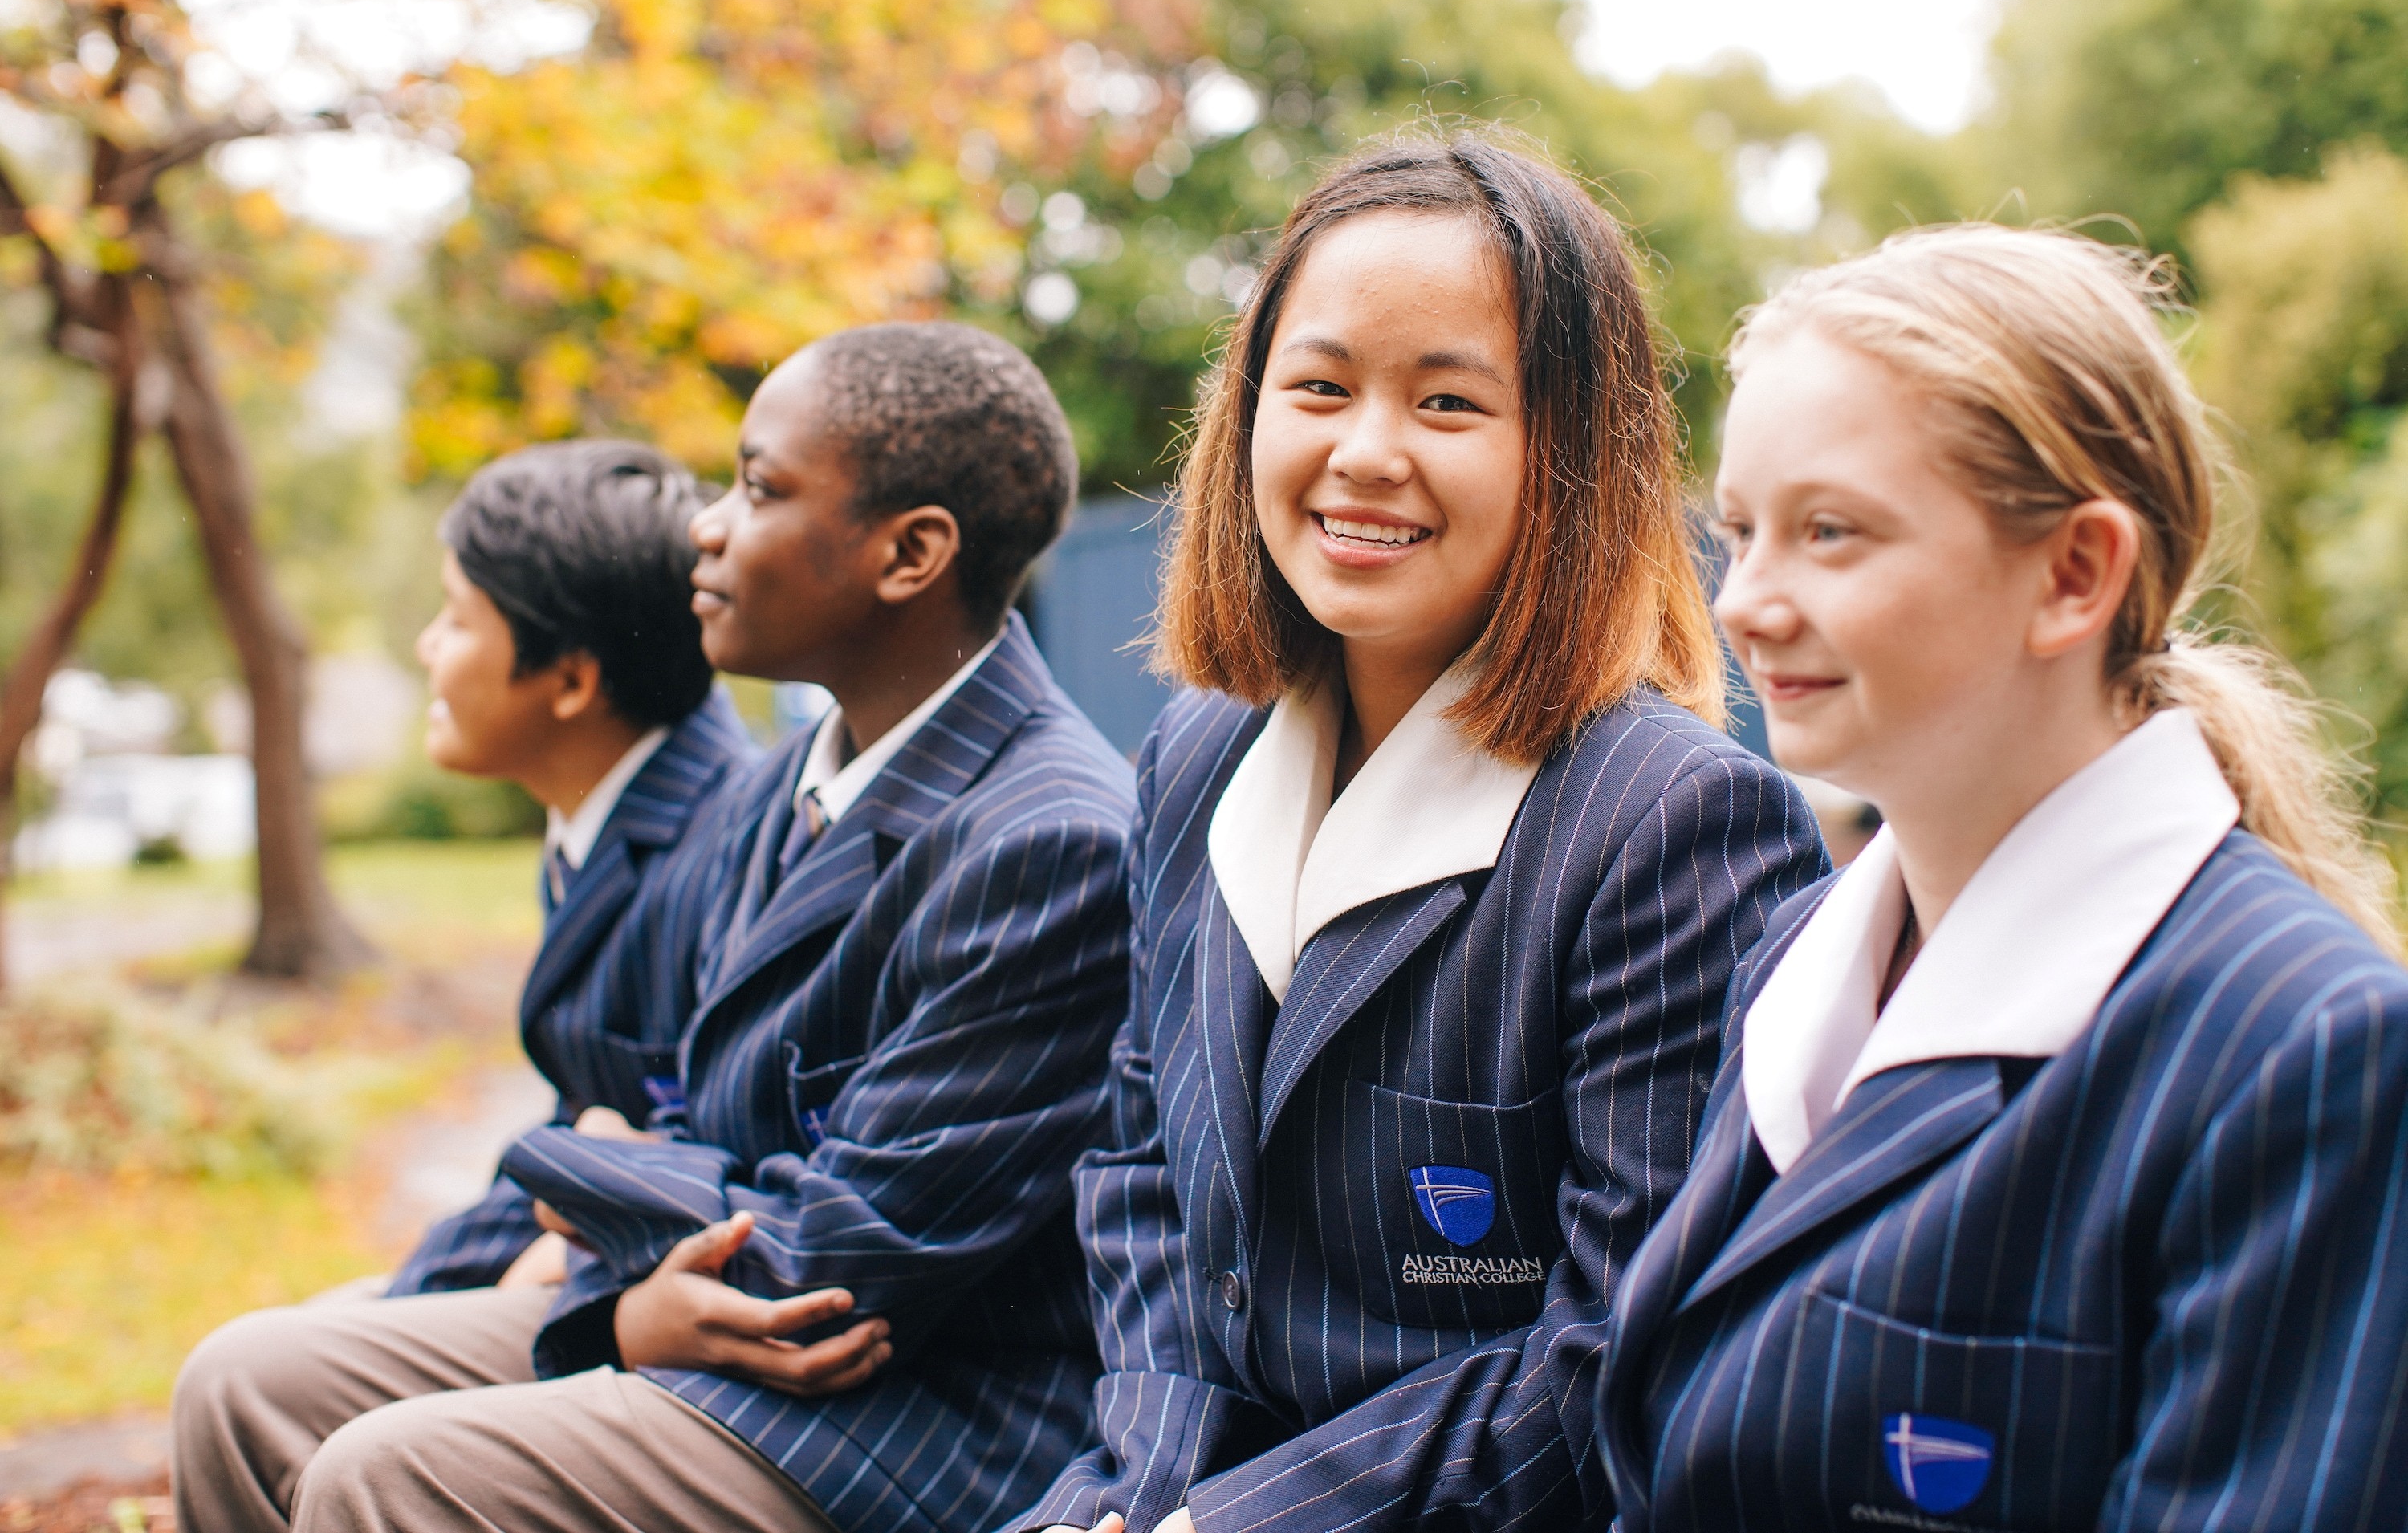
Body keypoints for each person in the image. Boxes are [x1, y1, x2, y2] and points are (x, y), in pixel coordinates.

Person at [171, 325, 1137, 1533]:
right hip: (710, 1304)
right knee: (244, 1383)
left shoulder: (1050, 841)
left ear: (911, 554)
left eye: (761, 487)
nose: (708, 525)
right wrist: (631, 1208)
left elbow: (839, 1261)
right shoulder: (787, 783)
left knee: (385, 1473)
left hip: (909, 1416)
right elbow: (695, 1107)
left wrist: (590, 1170)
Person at [1017, 133, 1827, 1533]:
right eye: (1318, 387)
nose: (1365, 453)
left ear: (1569, 454)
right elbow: (1140, 1178)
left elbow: (1610, 1348)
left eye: (1449, 403)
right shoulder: (1197, 758)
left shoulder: (1677, 824)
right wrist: (1145, 1501)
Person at [1596, 226, 2408, 1530]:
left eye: (1831, 532)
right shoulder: (1791, 956)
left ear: (2075, 573)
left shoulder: (2307, 1047)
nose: (1746, 599)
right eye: (1742, 530)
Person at [380, 439, 757, 1299]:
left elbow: (703, 1149)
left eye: (457, 619)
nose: (426, 646)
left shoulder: (724, 851)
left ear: (573, 681)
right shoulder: (601, 817)